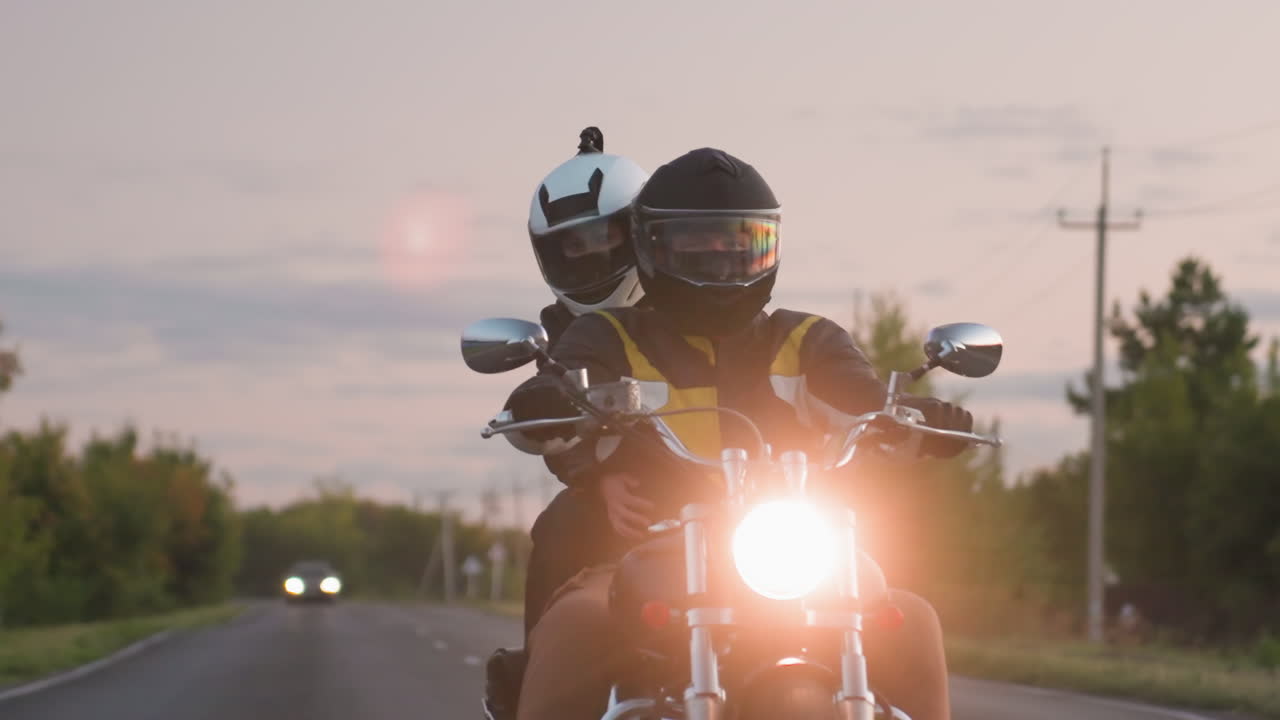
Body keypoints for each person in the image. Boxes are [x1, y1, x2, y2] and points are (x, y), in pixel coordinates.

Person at [507, 147, 972, 720]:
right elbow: (569, 396)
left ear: (769, 247)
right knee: (577, 621)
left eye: (738, 243)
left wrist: (914, 419)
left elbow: (863, 402)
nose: (720, 259)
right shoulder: (607, 336)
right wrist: (547, 404)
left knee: (913, 620)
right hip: (643, 552)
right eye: (695, 244)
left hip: (799, 552)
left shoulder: (808, 339)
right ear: (650, 247)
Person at [483, 128, 652, 720]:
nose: (590, 255)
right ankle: (536, 686)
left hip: (739, 490)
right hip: (619, 503)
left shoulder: (699, 300)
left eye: (604, 236)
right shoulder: (562, 328)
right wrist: (597, 477)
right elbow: (553, 417)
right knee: (558, 525)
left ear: (641, 232)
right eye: (571, 247)